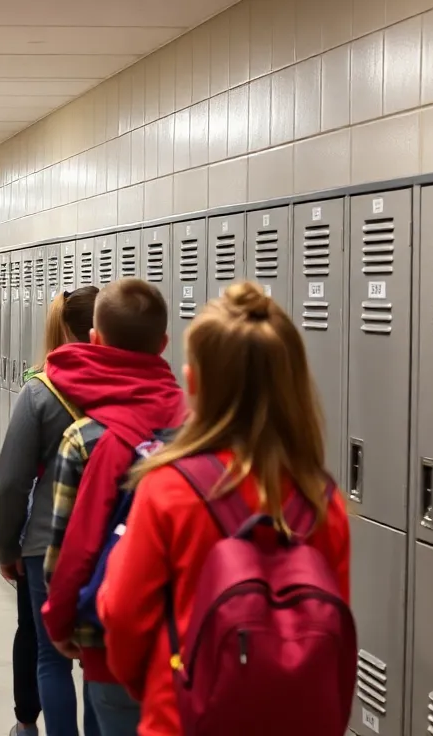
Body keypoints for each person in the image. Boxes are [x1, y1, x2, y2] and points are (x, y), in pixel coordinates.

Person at [97, 282, 351, 736]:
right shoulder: (321, 499)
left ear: (194, 383)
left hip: (182, 715)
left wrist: (156, 684)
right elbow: (335, 627)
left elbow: (123, 615)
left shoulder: (169, 488)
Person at [39, 279, 187, 736]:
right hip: (188, 636)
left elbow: (71, 547)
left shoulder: (86, 438)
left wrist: (59, 621)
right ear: (163, 343)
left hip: (107, 636)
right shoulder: (199, 432)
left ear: (96, 340)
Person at [0, 286, 100, 736]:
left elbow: (14, 480)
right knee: (100, 658)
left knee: (47, 652)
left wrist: (8, 546)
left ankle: (33, 726)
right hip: (111, 538)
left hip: (45, 541)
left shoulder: (42, 388)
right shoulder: (130, 389)